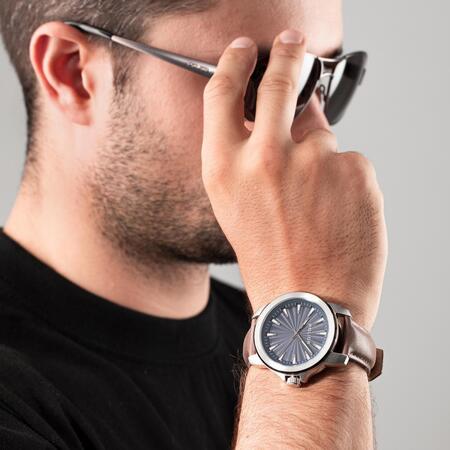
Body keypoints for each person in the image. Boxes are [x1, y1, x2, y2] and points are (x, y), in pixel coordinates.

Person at [0, 0, 387, 448]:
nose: (318, 136)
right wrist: (309, 314)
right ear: (72, 74)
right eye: (262, 82)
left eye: (322, 81)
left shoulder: (253, 327)